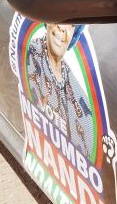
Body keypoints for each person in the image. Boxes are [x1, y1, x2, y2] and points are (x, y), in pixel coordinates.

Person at [26, 23, 94, 158]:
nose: (62, 28)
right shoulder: (33, 52)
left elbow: (87, 147)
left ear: (75, 33)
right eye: (58, 18)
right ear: (47, 23)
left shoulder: (77, 91)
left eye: (72, 24)